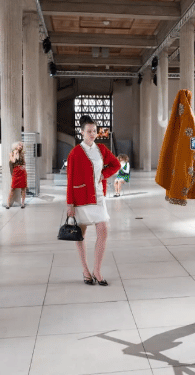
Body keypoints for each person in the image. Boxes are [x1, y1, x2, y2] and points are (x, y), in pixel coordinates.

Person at [66, 115, 121, 286]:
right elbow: (70, 180)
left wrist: (103, 175)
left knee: (103, 231)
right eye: (89, 131)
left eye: (94, 131)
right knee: (80, 235)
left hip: (98, 196)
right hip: (80, 198)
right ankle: (85, 270)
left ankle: (97, 270)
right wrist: (70, 204)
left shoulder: (102, 149)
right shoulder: (75, 153)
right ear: (82, 132)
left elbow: (116, 165)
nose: (92, 134)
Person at [5, 142, 27, 209]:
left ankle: (22, 203)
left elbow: (24, 162)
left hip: (22, 172)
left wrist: (23, 167)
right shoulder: (11, 153)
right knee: (12, 188)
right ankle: (8, 203)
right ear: (16, 146)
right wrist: (15, 153)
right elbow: (13, 161)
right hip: (16, 172)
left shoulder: (22, 154)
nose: (20, 146)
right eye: (19, 145)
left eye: (21, 146)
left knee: (23, 188)